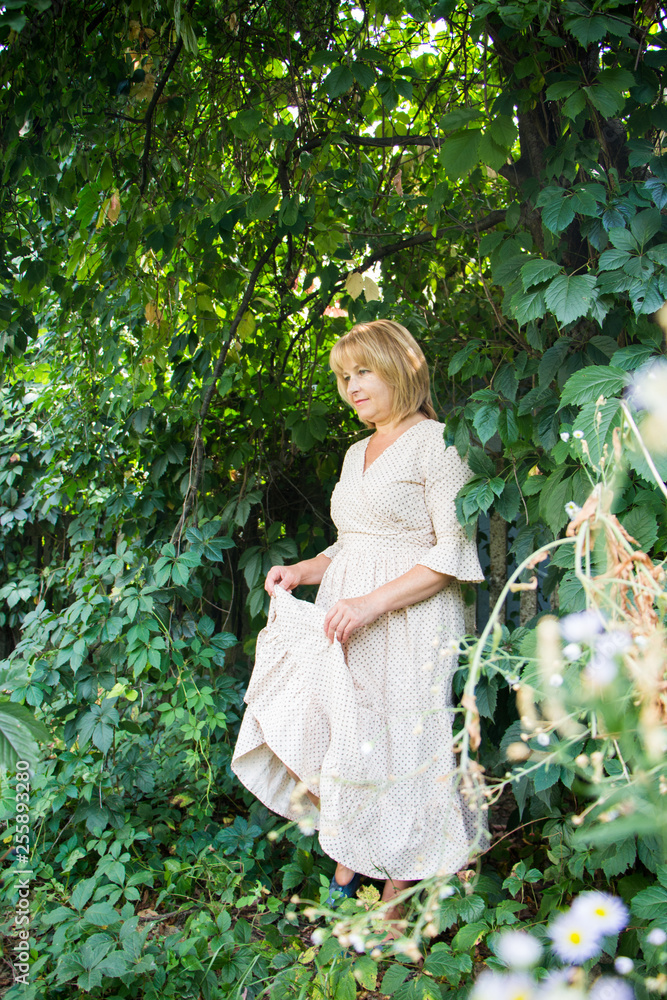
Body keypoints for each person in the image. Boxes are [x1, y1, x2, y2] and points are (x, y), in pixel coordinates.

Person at [232, 320, 485, 936]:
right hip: (348, 614)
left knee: (408, 740)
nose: (351, 387)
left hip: (412, 619)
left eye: (363, 372)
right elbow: (349, 546)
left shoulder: (439, 444)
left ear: (402, 369)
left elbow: (451, 557)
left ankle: (404, 887)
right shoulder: (354, 452)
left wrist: (372, 603)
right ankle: (361, 859)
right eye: (344, 377)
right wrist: (303, 570)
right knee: (352, 735)